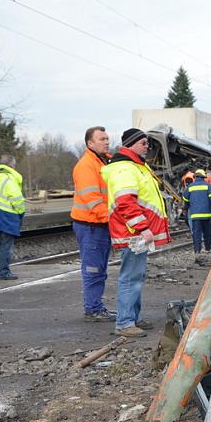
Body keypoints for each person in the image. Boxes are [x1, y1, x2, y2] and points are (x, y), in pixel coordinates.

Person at [101, 128, 171, 337]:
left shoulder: (135, 166)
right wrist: (142, 227)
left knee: (135, 276)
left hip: (134, 232)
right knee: (131, 277)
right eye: (143, 143)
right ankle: (125, 323)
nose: (147, 146)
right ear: (131, 144)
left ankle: (133, 318)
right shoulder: (126, 168)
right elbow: (126, 201)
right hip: (133, 233)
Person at [71, 126, 115, 322]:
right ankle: (93, 309)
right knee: (93, 269)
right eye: (102, 139)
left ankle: (95, 306)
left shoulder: (99, 162)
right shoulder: (87, 166)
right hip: (91, 225)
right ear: (90, 143)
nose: (106, 141)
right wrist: (115, 220)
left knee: (98, 268)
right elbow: (94, 203)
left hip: (97, 225)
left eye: (107, 138)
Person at [183, 168, 211, 253]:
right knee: (208, 233)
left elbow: (185, 198)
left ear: (195, 177)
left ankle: (197, 251)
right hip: (207, 215)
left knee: (196, 234)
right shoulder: (208, 186)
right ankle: (208, 248)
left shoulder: (190, 187)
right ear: (203, 177)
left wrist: (186, 207)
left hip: (195, 216)